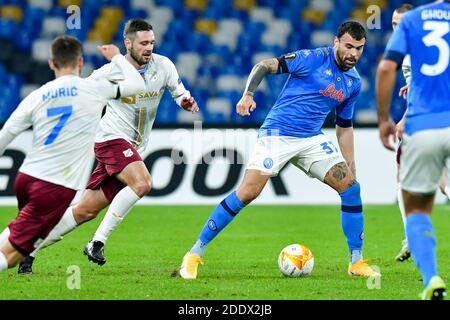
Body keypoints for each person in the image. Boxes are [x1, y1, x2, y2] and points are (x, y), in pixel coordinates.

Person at [179, 21, 380, 280]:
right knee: (248, 192)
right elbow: (263, 65)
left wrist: (350, 164)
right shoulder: (311, 58)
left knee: (352, 188)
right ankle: (195, 253)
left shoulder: (353, 82)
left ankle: (356, 261)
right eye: (349, 46)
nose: (353, 53)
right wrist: (248, 94)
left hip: (311, 139)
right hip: (278, 133)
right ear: (336, 42)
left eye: (359, 48)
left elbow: (344, 127)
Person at [17, 18, 198, 273]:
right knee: (142, 183)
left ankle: (28, 249)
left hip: (134, 147)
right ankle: (97, 242)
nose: (149, 48)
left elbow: (179, 92)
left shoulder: (164, 66)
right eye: (144, 43)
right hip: (110, 139)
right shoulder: (109, 73)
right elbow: (79, 94)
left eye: (152, 43)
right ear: (128, 43)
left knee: (85, 211)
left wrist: (185, 102)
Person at [0, 35, 145, 272]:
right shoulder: (94, 89)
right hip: (54, 185)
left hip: (25, 178)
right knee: (13, 253)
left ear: (51, 63)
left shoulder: (38, 94)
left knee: (17, 240)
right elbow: (138, 85)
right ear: (81, 63)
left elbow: (6, 134)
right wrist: (117, 57)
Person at [376, 0, 450, 300]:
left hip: (425, 125)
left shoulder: (413, 23)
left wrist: (384, 119)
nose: (395, 26)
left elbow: (384, 69)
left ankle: (431, 277)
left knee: (416, 205)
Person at [391, 3, 450, 262]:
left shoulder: (409, 51)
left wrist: (404, 118)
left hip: (426, 120)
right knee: (440, 177)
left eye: (399, 23)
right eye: (392, 24)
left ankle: (412, 238)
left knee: (405, 179)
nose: (395, 28)